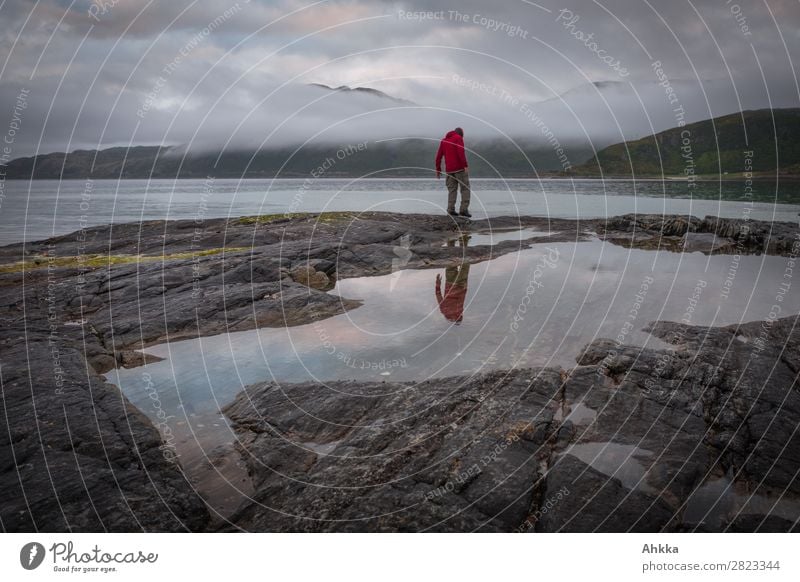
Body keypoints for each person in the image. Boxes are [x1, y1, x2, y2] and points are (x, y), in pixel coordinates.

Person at [435, 127, 471, 218]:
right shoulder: (458, 138)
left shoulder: (444, 141)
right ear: (460, 134)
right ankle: (463, 210)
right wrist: (465, 165)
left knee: (452, 190)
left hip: (449, 170)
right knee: (465, 188)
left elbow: (438, 156)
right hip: (459, 169)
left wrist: (438, 170)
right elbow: (461, 152)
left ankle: (450, 210)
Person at [435, 234, 471, 323]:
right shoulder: (444, 311)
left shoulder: (458, 312)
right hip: (449, 282)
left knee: (465, 263)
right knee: (451, 259)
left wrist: (465, 287)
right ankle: (450, 240)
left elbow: (461, 298)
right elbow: (438, 295)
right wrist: (437, 284)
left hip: (460, 284)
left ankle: (463, 240)